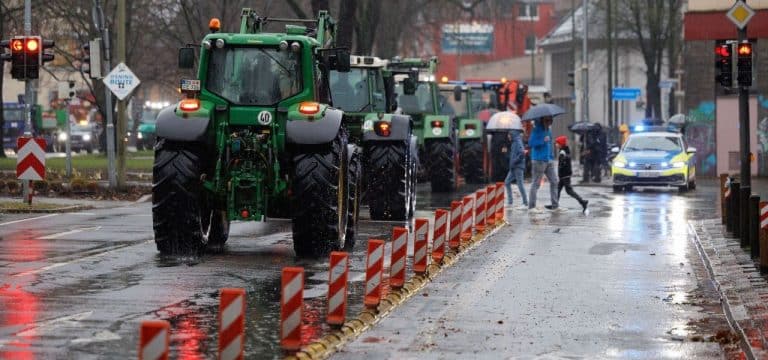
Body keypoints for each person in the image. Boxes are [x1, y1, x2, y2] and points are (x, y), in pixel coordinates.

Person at [528, 116, 559, 211]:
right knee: (536, 183)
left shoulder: (548, 130)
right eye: (549, 121)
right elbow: (531, 143)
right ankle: (531, 206)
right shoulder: (537, 130)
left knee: (554, 181)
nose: (550, 123)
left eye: (551, 121)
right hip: (539, 160)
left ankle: (555, 205)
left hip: (548, 160)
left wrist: (551, 156)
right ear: (543, 121)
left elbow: (549, 144)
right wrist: (542, 141)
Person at [555, 136, 589, 213]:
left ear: (561, 144)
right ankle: (555, 205)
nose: (556, 145)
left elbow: (563, 163)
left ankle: (583, 202)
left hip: (564, 175)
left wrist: (561, 169)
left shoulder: (563, 152)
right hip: (564, 175)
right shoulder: (564, 150)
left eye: (557, 143)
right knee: (558, 190)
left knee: (569, 191)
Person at [503, 113, 527, 208]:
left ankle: (525, 203)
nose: (508, 137)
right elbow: (513, 155)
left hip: (517, 167)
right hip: (513, 167)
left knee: (520, 184)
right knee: (507, 182)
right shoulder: (514, 142)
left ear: (512, 135)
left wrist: (515, 161)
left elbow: (522, 153)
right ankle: (510, 201)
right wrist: (506, 153)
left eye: (509, 135)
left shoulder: (517, 142)